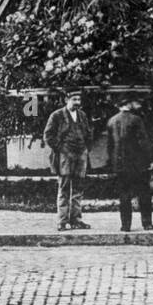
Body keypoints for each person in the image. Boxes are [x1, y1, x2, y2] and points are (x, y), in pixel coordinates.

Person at [44, 90, 94, 231]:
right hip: (65, 156)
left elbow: (89, 134)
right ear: (67, 99)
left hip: (80, 156)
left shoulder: (82, 116)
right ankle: (62, 221)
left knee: (78, 189)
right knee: (64, 188)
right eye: (74, 99)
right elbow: (48, 136)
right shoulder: (57, 116)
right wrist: (60, 149)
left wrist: (86, 148)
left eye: (79, 99)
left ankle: (76, 220)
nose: (77, 102)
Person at [106, 96, 153, 232]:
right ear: (129, 104)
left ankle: (125, 225)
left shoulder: (111, 121)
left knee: (124, 194)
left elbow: (109, 147)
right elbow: (143, 142)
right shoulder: (136, 120)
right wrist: (149, 160)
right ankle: (147, 223)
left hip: (120, 165)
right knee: (144, 193)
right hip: (137, 164)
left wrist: (113, 163)